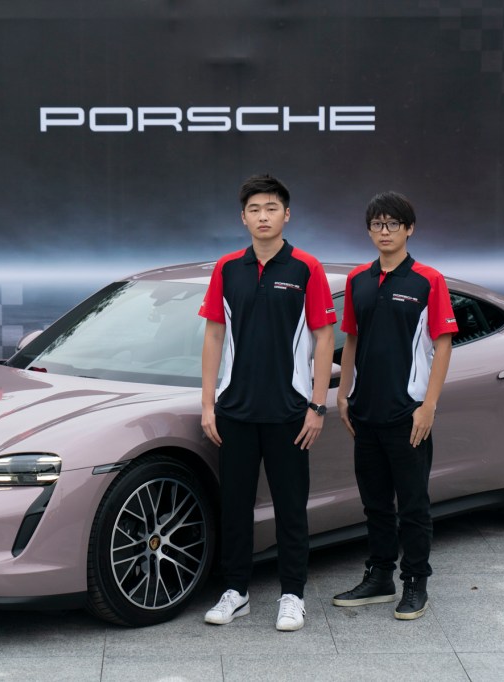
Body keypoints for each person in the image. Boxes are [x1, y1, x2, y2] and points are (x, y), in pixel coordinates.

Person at [199, 174, 336, 632]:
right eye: (255, 209)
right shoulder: (227, 269)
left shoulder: (306, 268)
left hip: (289, 413)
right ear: (243, 217)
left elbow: (324, 337)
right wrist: (208, 404)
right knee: (235, 506)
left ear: (286, 215)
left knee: (291, 508)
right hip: (234, 411)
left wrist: (317, 406)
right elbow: (214, 334)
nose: (263, 216)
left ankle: (292, 595)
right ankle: (235, 591)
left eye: (271, 208)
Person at [332, 191, 457, 620]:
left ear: (409, 229)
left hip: (408, 414)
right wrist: (343, 394)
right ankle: (380, 576)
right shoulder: (358, 280)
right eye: (377, 224)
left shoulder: (427, 280)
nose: (384, 231)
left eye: (393, 224)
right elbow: (351, 338)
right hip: (365, 412)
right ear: (369, 230)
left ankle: (416, 582)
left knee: (414, 504)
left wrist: (429, 406)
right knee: (375, 503)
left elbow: (443, 345)